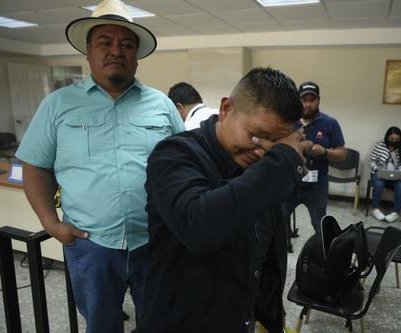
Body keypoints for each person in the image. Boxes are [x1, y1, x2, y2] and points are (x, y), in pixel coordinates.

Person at [15, 0, 185, 331]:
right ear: (89, 52)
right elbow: (35, 167)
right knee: (101, 323)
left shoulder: (162, 106)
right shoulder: (58, 105)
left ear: (137, 54)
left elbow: (184, 163)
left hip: (154, 242)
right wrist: (50, 223)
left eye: (126, 44)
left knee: (160, 321)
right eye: (104, 43)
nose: (115, 51)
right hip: (90, 244)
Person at [140, 67, 313, 333]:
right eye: (256, 135)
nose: (262, 150)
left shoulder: (264, 170)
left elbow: (268, 256)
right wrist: (280, 161)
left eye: (275, 143)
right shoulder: (173, 155)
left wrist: (270, 319)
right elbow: (198, 226)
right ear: (225, 109)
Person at [282, 81, 346, 233]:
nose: (307, 104)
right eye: (304, 100)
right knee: (279, 220)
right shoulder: (288, 123)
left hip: (317, 186)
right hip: (290, 183)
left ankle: (322, 254)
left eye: (312, 100)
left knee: (319, 225)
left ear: (318, 101)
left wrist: (325, 151)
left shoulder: (330, 123)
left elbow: (342, 153)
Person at [368, 126, 401, 223]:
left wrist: (400, 170)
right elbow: (371, 161)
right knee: (378, 185)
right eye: (392, 139)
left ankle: (395, 212)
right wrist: (378, 169)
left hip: (397, 175)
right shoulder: (380, 145)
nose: (394, 141)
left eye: (397, 139)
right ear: (387, 137)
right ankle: (375, 209)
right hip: (380, 173)